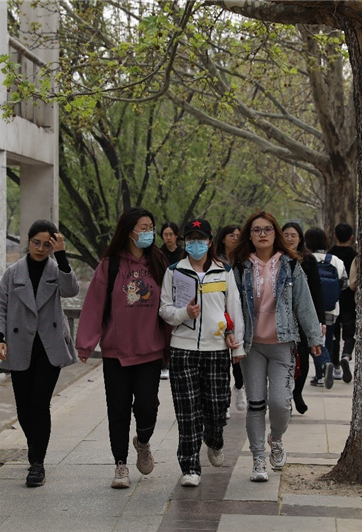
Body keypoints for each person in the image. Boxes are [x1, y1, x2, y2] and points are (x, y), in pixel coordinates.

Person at [76, 207, 168, 489]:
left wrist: (173, 343)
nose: (149, 232)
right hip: (116, 352)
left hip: (150, 349)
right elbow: (94, 305)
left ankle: (143, 441)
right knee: (118, 410)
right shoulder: (110, 265)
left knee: (147, 407)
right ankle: (120, 464)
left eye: (151, 227)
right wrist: (86, 344)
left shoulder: (159, 262)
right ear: (129, 231)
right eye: (143, 227)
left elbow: (170, 305)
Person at [233, 211, 322, 482]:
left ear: (276, 234)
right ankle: (258, 459)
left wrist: (314, 337)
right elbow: (231, 306)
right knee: (256, 403)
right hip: (252, 346)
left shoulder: (290, 265)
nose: (262, 234)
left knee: (281, 403)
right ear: (249, 235)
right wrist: (230, 336)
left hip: (283, 343)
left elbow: (304, 302)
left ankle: (277, 438)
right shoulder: (240, 267)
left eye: (268, 229)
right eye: (257, 230)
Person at [0, 220, 80, 487]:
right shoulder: (13, 273)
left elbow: (71, 290)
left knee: (40, 404)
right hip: (20, 346)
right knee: (24, 408)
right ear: (28, 242)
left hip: (49, 347)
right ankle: (36, 447)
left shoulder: (56, 269)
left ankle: (36, 463)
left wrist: (61, 256)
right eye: (36, 243)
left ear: (54, 245)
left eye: (47, 244)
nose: (40, 248)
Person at [159, 218, 245, 487]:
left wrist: (238, 344)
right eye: (190, 239)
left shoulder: (224, 271)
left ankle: (215, 440)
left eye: (200, 239)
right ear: (185, 242)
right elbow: (164, 309)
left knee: (217, 409)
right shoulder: (174, 271)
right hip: (183, 349)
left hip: (217, 349)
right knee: (187, 412)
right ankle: (190, 466)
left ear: (209, 241)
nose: (195, 244)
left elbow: (234, 308)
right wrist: (184, 313)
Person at [282, 222, 326, 414]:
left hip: (303, 318)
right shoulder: (276, 259)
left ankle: (297, 392)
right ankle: (284, 396)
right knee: (283, 359)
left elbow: (316, 292)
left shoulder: (308, 260)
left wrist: (319, 320)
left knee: (303, 356)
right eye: (286, 234)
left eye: (294, 235)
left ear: (300, 238)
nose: (290, 238)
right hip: (282, 317)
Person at [304, 227, 348, 388]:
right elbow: (345, 284)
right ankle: (322, 372)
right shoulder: (336, 260)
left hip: (309, 309)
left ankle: (323, 368)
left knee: (310, 341)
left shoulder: (306, 259)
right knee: (327, 340)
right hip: (331, 308)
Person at [215, 224, 246, 413]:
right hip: (219, 311)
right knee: (221, 360)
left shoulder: (245, 260)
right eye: (231, 235)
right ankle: (224, 398)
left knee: (238, 356)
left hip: (239, 311)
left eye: (238, 235)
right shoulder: (215, 260)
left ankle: (239, 387)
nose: (235, 238)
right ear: (223, 238)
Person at [328, 223, 358, 383]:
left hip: (332, 300)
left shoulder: (329, 256)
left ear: (334, 236)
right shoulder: (355, 256)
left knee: (334, 335)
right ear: (351, 237)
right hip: (349, 301)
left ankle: (336, 368)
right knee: (349, 333)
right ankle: (346, 356)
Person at [158, 221, 185, 380]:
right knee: (164, 330)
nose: (168, 237)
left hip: (181, 292)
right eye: (165, 234)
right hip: (164, 292)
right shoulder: (158, 253)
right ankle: (164, 363)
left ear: (176, 236)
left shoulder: (183, 253)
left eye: (170, 234)